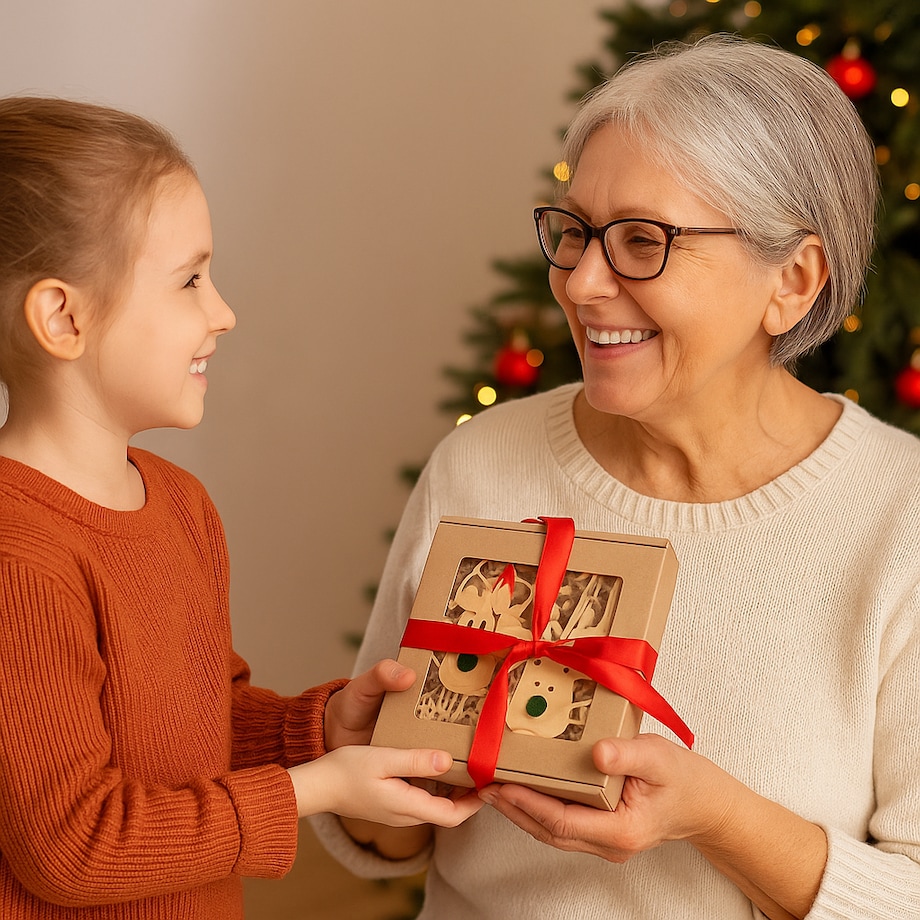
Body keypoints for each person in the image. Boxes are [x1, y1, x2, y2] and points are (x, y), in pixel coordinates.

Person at [311, 34, 920, 920]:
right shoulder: (480, 461)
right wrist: (368, 768)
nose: (583, 283)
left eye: (643, 240)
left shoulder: (901, 516)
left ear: (792, 280)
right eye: (576, 233)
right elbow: (393, 839)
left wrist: (717, 818)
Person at [0, 96, 481, 920]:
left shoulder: (180, 505)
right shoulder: (19, 558)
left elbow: (199, 723)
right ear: (63, 317)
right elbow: (73, 846)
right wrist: (313, 790)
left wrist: (320, 731)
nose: (223, 312)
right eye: (190, 280)